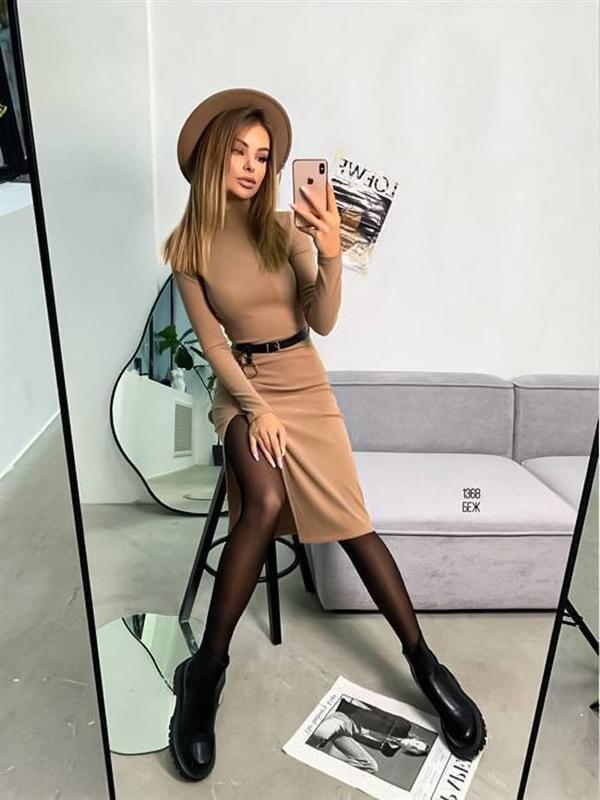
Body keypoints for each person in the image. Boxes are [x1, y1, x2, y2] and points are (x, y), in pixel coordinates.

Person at [162, 87, 487, 782]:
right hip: (244, 389)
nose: (252, 167)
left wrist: (332, 253)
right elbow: (214, 345)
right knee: (264, 502)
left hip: (305, 382)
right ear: (213, 157)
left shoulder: (286, 226)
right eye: (239, 152)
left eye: (263, 156)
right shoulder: (188, 247)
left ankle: (425, 664)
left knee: (354, 523)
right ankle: (205, 673)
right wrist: (255, 409)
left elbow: (324, 320)